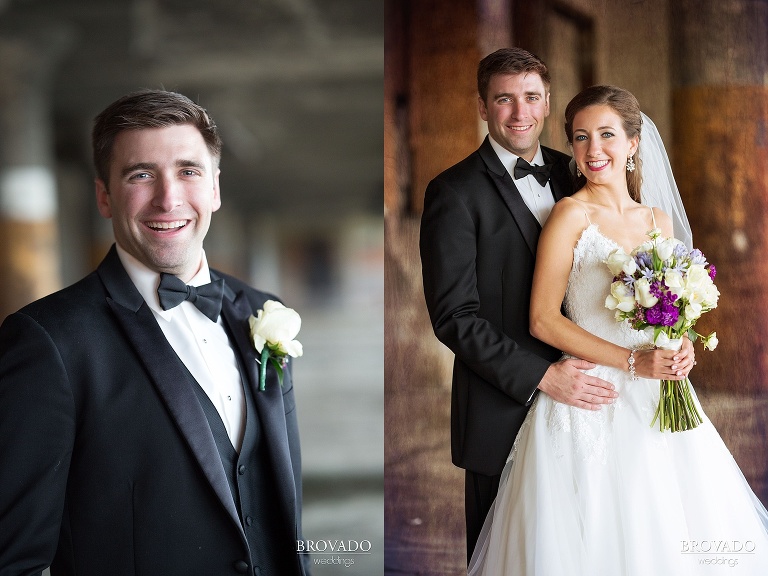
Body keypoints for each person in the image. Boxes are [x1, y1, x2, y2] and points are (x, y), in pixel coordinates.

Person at [0, 90, 309, 575]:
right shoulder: (47, 342)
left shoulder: (259, 310)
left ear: (215, 189)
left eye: (188, 171)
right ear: (104, 195)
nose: (169, 198)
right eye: (140, 174)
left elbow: (282, 508)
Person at [468, 85, 768, 575]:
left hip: (661, 394)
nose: (592, 150)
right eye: (581, 137)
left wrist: (684, 344)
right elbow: (543, 319)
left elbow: (675, 309)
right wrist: (632, 361)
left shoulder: (657, 218)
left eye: (606, 135)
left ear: (633, 143)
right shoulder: (570, 215)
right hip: (593, 396)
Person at [419, 48, 694, 561]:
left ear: (547, 104)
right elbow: (454, 317)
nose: (519, 112)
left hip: (611, 395)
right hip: (505, 405)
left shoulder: (580, 172)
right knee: (518, 554)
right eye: (504, 99)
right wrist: (541, 376)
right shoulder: (453, 193)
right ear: (483, 107)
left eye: (530, 97)